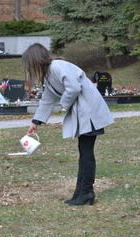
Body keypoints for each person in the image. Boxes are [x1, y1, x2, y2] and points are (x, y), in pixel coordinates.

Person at [23, 43, 114, 206]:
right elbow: (47, 99)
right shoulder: (49, 74)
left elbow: (73, 88)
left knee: (86, 153)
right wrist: (36, 121)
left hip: (90, 113)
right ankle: (81, 192)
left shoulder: (57, 66)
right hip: (85, 113)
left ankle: (86, 192)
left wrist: (64, 105)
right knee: (84, 152)